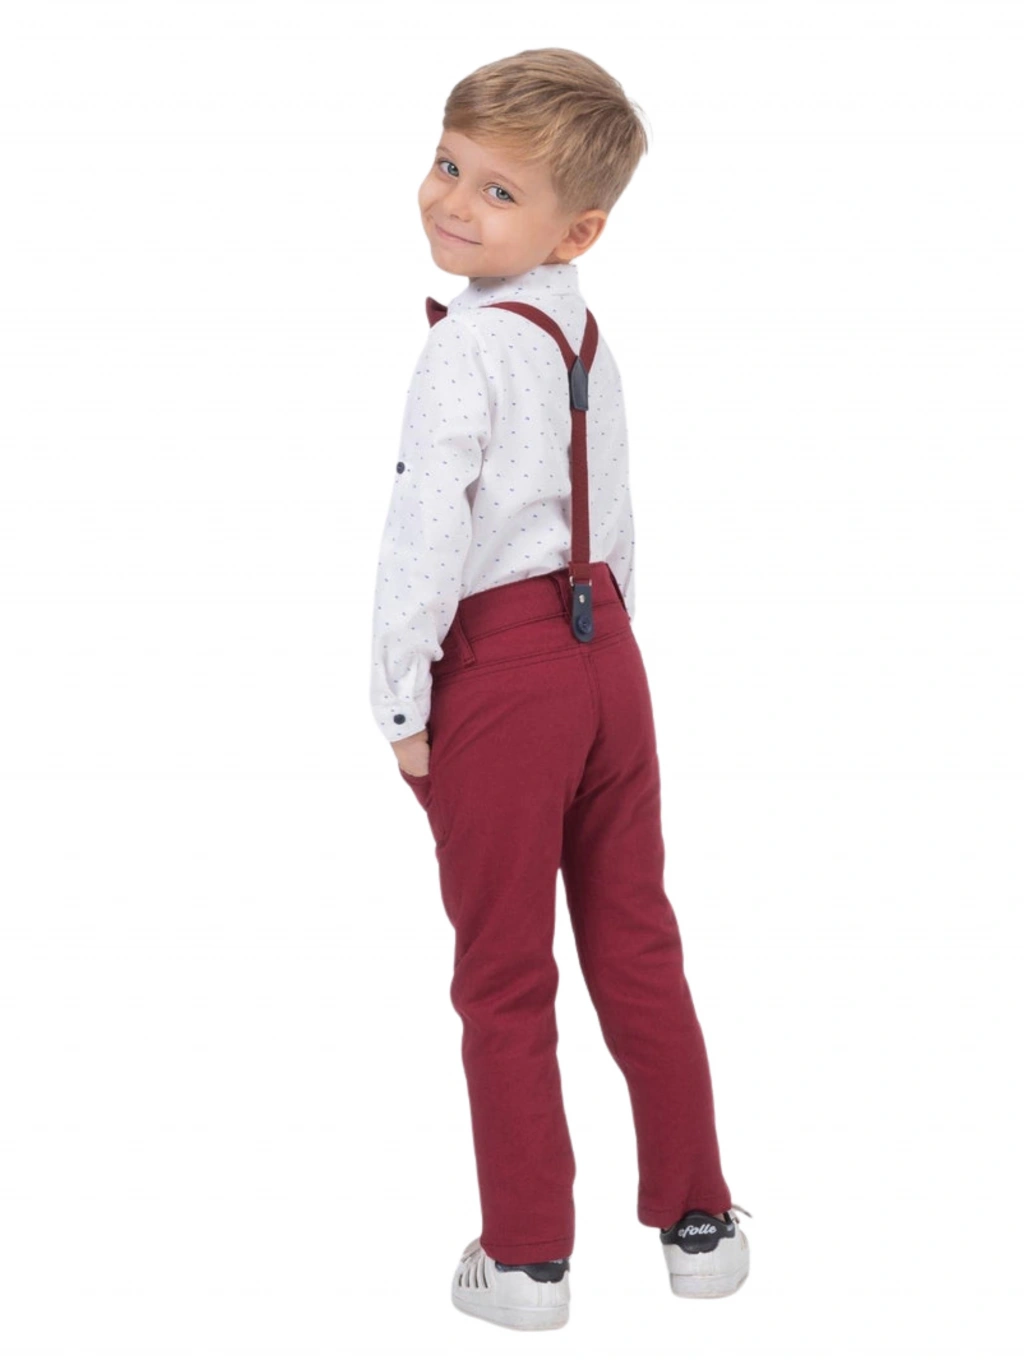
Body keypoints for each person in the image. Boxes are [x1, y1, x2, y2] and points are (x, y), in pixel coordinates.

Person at [369, 47, 751, 1331]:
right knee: (637, 943)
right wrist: (604, 643)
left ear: (579, 229)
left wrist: (400, 700)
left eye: (498, 192)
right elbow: (618, 512)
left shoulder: (465, 351)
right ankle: (700, 1227)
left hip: (504, 674)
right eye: (447, 165)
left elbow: (426, 534)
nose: (452, 202)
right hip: (608, 662)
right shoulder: (582, 334)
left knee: (503, 972)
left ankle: (527, 1258)